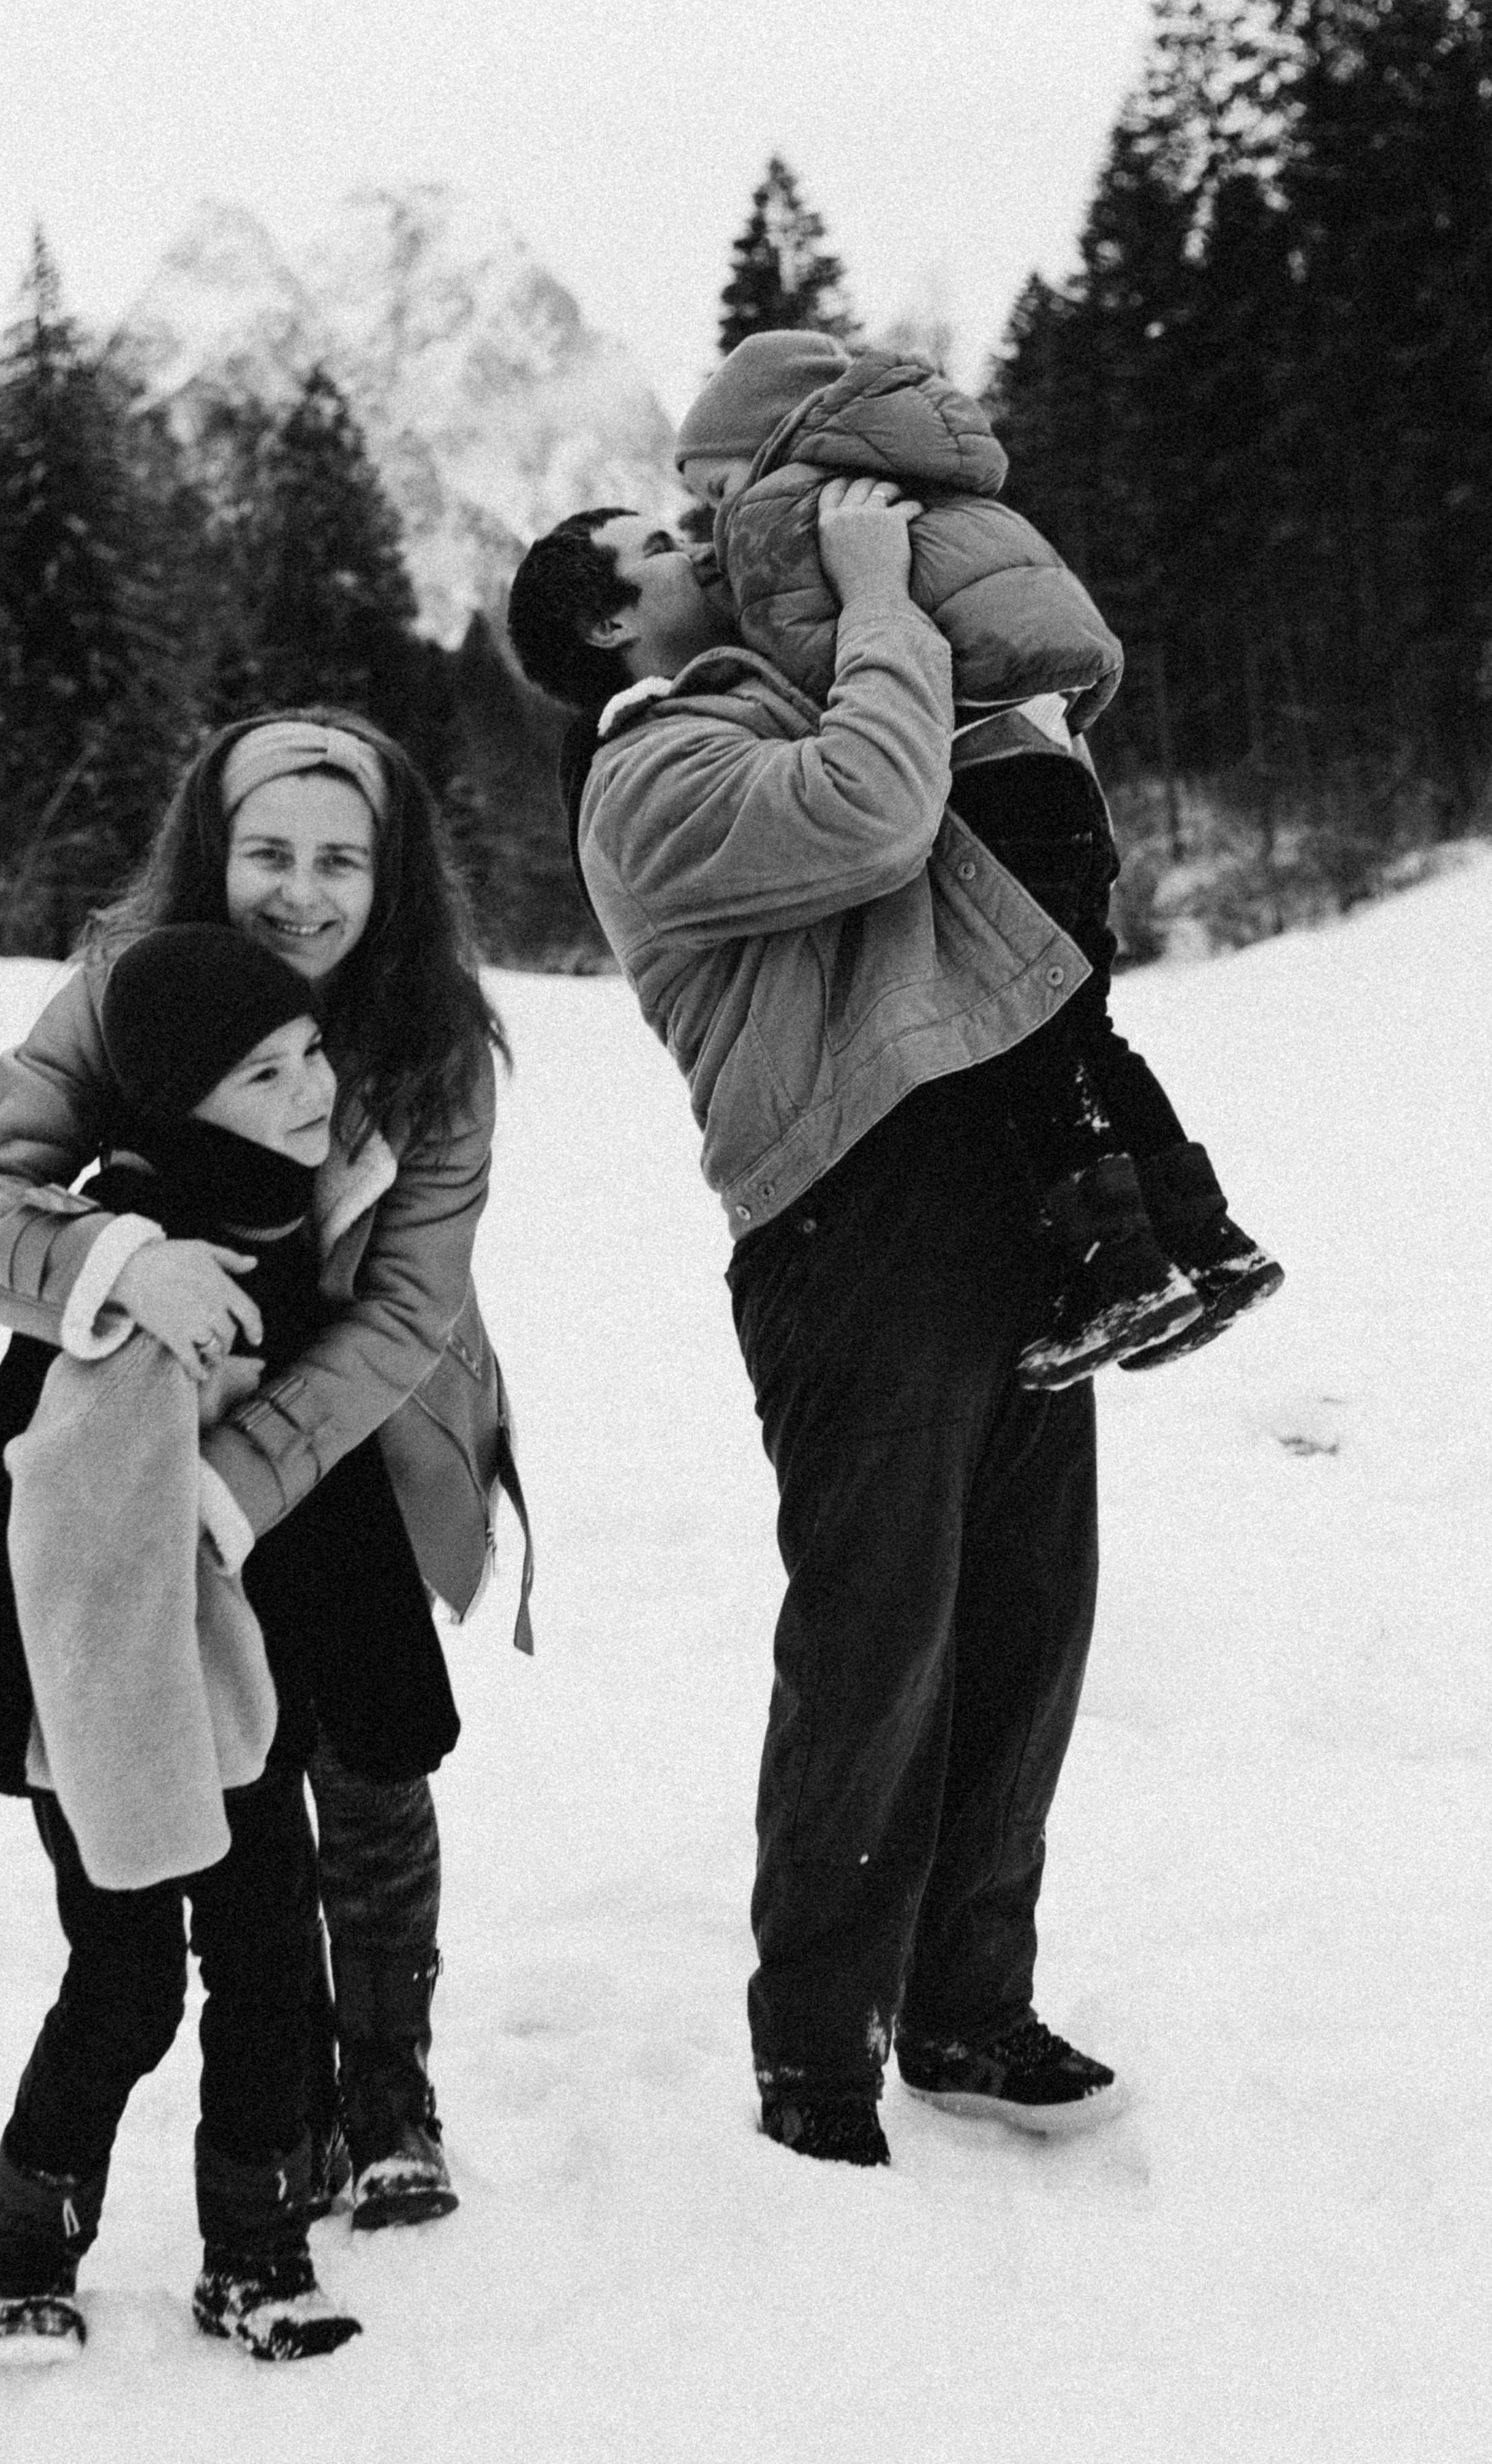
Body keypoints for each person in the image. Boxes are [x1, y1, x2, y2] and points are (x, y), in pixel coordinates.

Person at [507, 478, 1119, 2165]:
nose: (690, 545)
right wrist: (877, 597)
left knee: (1025, 1619)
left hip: (980, 1188)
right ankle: (816, 2059)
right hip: (843, 1219)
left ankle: (968, 2007)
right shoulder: (648, 775)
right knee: (874, 1641)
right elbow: (868, 817)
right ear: (605, 625)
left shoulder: (777, 703)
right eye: (650, 549)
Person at [0, 712, 526, 2271]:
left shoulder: (430, 1044)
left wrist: (241, 1481)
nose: (301, 892)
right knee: (224, 1784)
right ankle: (275, 2113)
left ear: (390, 879)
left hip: (347, 1417)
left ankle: (384, 2092)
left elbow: (406, 1308)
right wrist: (120, 1260)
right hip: (144, 1415)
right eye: (268, 853)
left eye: (340, 861)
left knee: (373, 1756)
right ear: (215, 850)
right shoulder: (126, 989)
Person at [672, 329, 1282, 1381]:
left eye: (712, 485)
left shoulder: (789, 507)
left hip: (984, 790)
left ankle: (1120, 1270)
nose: (710, 515)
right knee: (1083, 1024)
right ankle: (1207, 1239)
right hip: (1061, 776)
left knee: (1018, 1039)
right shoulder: (938, 480)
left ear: (763, 438)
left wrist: (737, 606)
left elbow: (818, 668)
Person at [0, 927, 383, 2361]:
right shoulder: (152, 1265)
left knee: (271, 1967)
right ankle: (25, 2243)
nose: (310, 1088)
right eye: (264, 1075)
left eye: (310, 1052)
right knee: (127, 1981)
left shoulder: (279, 1208)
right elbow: (77, 1542)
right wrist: (131, 1779)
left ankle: (254, 2254)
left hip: (237, 1684)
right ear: (180, 1107)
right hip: (97, 1705)